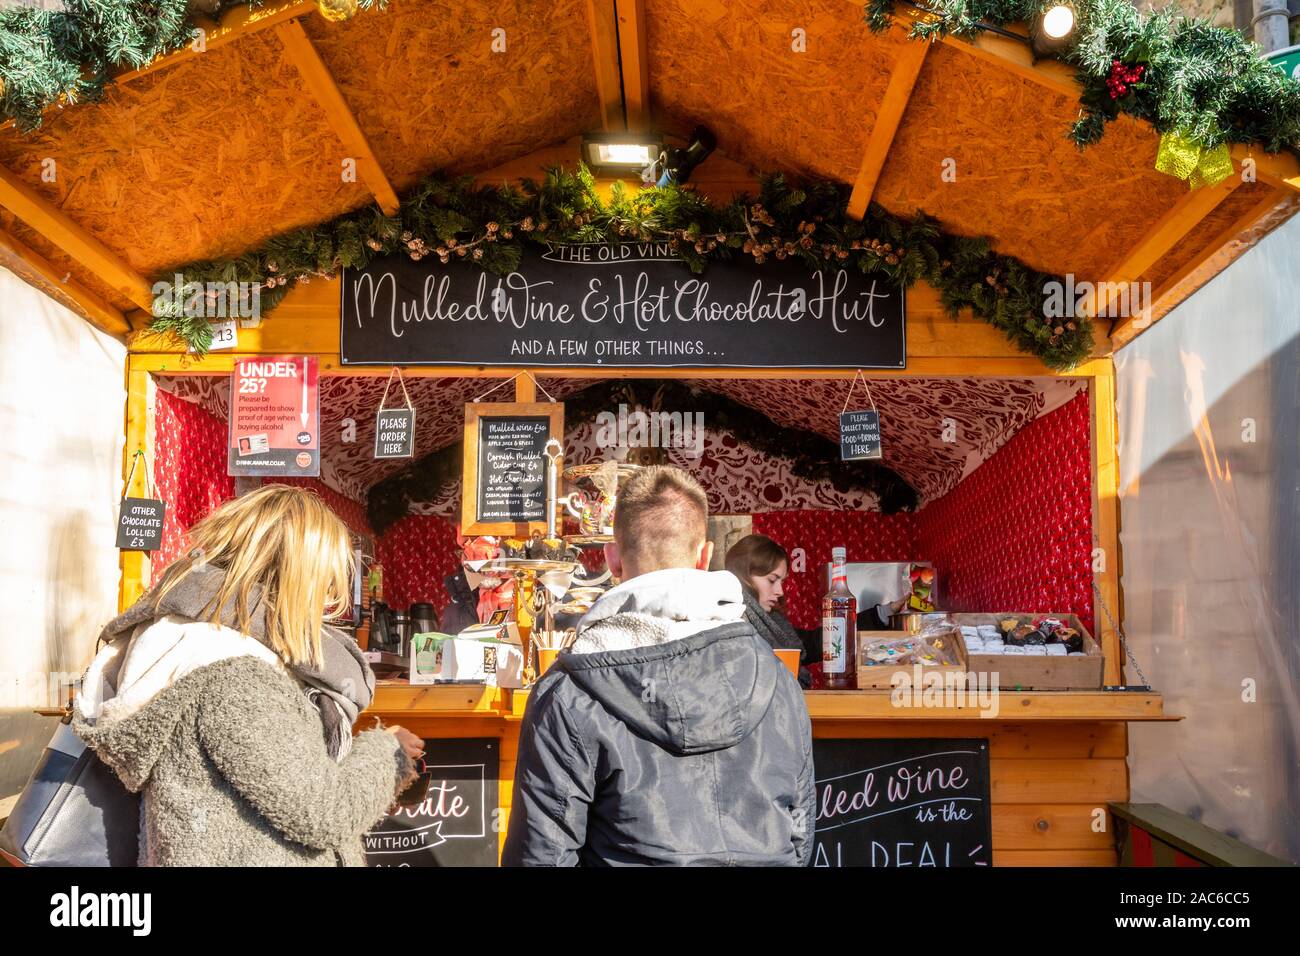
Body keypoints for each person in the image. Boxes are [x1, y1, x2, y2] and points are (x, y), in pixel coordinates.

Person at [73, 485, 423, 866]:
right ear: (296, 577)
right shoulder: (236, 675)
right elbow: (322, 812)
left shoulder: (193, 647)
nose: (327, 599)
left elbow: (274, 781)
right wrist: (387, 753)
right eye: (326, 581)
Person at [503, 466, 814, 866]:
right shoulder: (775, 679)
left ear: (612, 560)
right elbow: (800, 831)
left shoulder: (567, 692)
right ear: (704, 556)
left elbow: (542, 855)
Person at [725, 533, 814, 688]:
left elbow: (810, 641)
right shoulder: (728, 624)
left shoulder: (773, 621)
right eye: (772, 580)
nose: (780, 591)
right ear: (744, 576)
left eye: (782, 581)